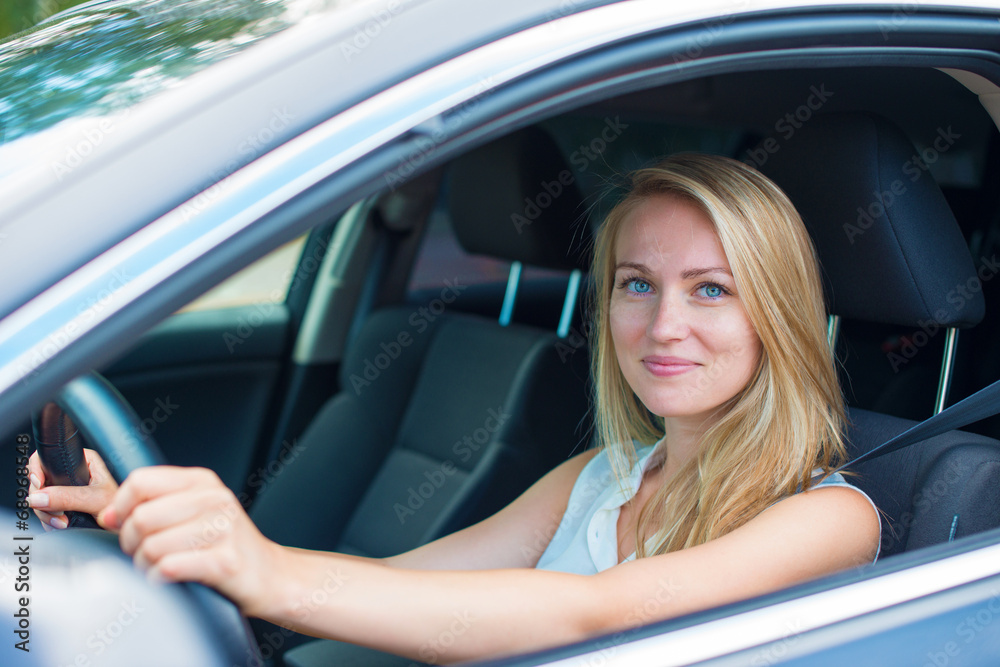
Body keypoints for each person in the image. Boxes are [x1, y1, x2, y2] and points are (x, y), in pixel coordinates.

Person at [27, 153, 880, 664]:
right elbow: (403, 588)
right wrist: (160, 535)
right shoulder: (604, 474)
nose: (664, 325)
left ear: (777, 311)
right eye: (636, 284)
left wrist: (265, 569)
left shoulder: (829, 519)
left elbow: (597, 617)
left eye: (711, 290)